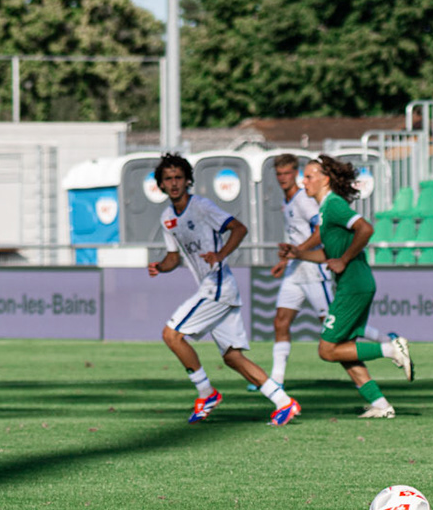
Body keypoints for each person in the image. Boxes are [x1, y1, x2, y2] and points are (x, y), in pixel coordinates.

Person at [146, 153, 300, 426]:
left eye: (178, 178)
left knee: (171, 335)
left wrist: (219, 255)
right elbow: (174, 258)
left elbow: (239, 229)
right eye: (168, 179)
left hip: (216, 286)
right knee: (232, 357)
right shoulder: (167, 217)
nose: (174, 183)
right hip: (218, 290)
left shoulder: (202, 206)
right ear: (160, 184)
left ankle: (206, 393)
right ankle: (283, 402)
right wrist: (160, 266)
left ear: (188, 180)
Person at [280, 155, 413, 417]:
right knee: (344, 349)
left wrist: (344, 259)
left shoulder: (334, 206)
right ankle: (380, 404)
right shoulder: (326, 209)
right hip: (354, 284)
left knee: (327, 350)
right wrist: (298, 253)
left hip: (354, 284)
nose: (303, 181)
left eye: (309, 177)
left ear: (325, 179)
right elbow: (327, 255)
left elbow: (366, 228)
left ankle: (390, 348)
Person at [264, 153, 328, 388]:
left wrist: (299, 251)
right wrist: (286, 261)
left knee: (332, 324)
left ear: (296, 174)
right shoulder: (287, 201)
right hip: (295, 269)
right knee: (281, 321)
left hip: (313, 268)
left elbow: (321, 230)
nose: (283, 178)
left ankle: (386, 343)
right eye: (279, 174)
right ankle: (276, 379)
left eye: (287, 173)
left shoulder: (303, 199)